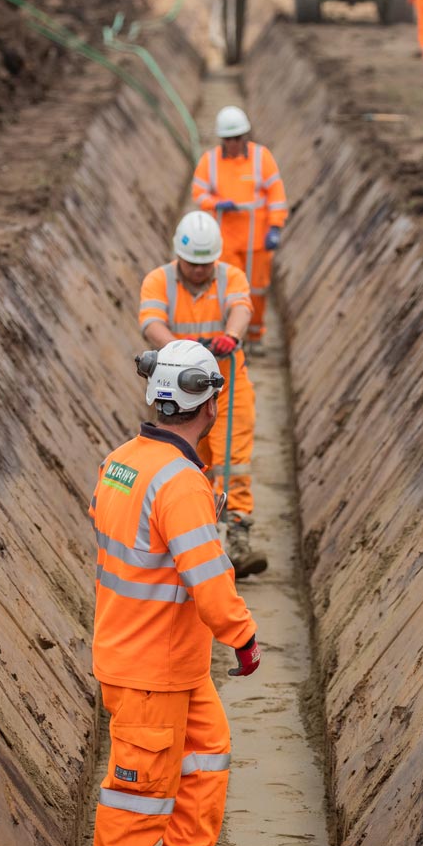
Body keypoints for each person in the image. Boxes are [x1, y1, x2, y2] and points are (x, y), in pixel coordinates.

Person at [89, 339, 261, 846]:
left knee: (205, 752)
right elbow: (210, 581)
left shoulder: (123, 460)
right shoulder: (181, 484)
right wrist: (242, 636)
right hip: (149, 665)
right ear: (209, 404)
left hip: (163, 655)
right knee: (140, 787)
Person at [139, 210, 267, 578]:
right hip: (178, 391)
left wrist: (233, 336)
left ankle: (238, 532)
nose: (199, 270)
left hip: (227, 385)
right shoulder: (158, 281)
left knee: (234, 458)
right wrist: (185, 350)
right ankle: (196, 534)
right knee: (190, 460)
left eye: (205, 263)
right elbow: (151, 323)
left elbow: (241, 309)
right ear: (179, 255)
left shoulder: (231, 277)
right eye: (192, 263)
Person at [191, 106, 288, 353]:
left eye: (237, 138)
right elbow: (198, 193)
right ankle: (231, 337)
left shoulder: (261, 158)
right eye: (228, 139)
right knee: (229, 291)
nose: (233, 143)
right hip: (226, 241)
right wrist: (216, 203)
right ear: (221, 139)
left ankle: (255, 336)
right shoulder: (210, 161)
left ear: (245, 136)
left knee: (256, 289)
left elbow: (276, 194)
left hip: (257, 240)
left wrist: (275, 227)